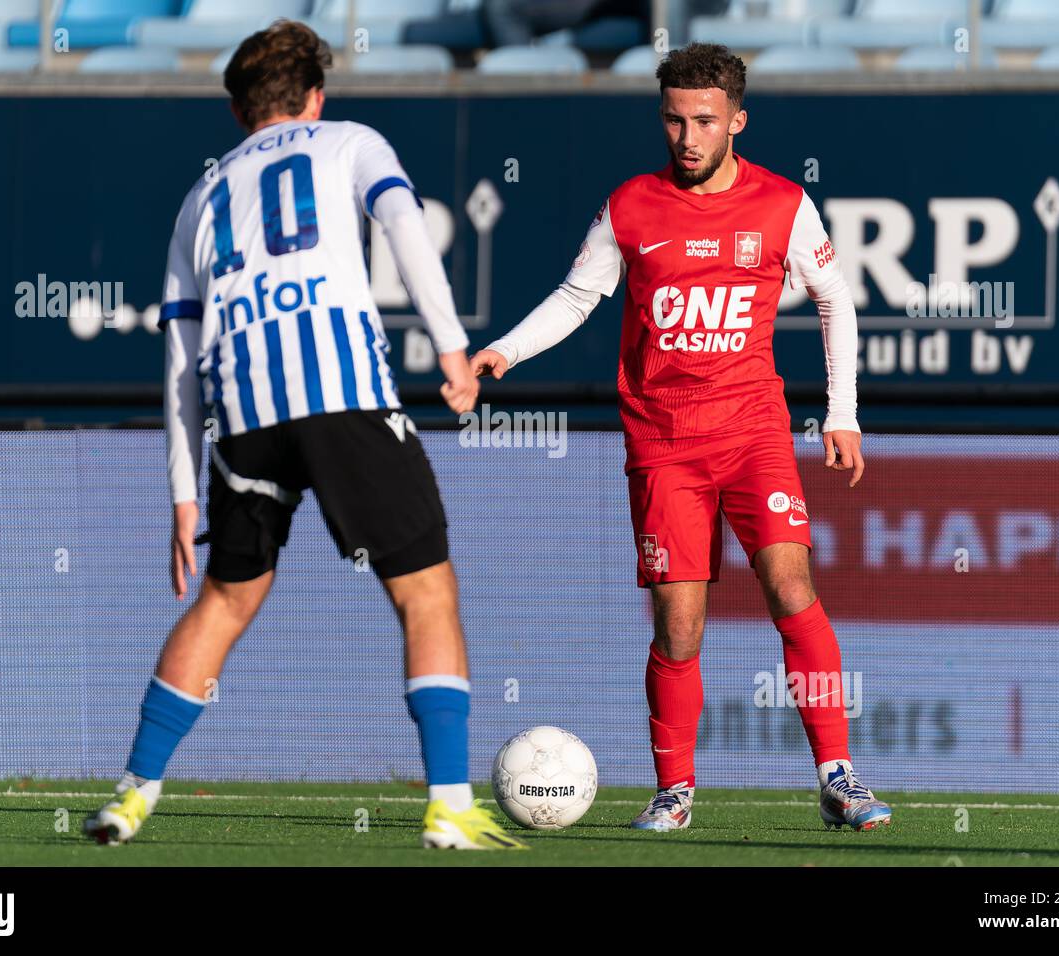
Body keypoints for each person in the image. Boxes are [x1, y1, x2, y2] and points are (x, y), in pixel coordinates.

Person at [85, 20, 526, 851]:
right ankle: (449, 806)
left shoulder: (200, 197)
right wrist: (453, 349)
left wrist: (183, 492)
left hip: (242, 414)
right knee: (426, 592)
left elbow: (179, 351)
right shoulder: (351, 141)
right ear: (316, 97)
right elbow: (406, 228)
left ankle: (131, 796)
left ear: (238, 109)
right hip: (341, 398)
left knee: (223, 600)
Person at [471, 43, 891, 832]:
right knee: (679, 625)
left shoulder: (782, 204)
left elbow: (835, 296)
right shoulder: (631, 205)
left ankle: (839, 777)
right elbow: (575, 295)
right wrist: (504, 350)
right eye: (673, 119)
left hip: (754, 432)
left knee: (793, 589)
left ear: (737, 119)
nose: (687, 136)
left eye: (704, 120)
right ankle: (676, 792)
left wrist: (842, 412)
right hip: (664, 445)